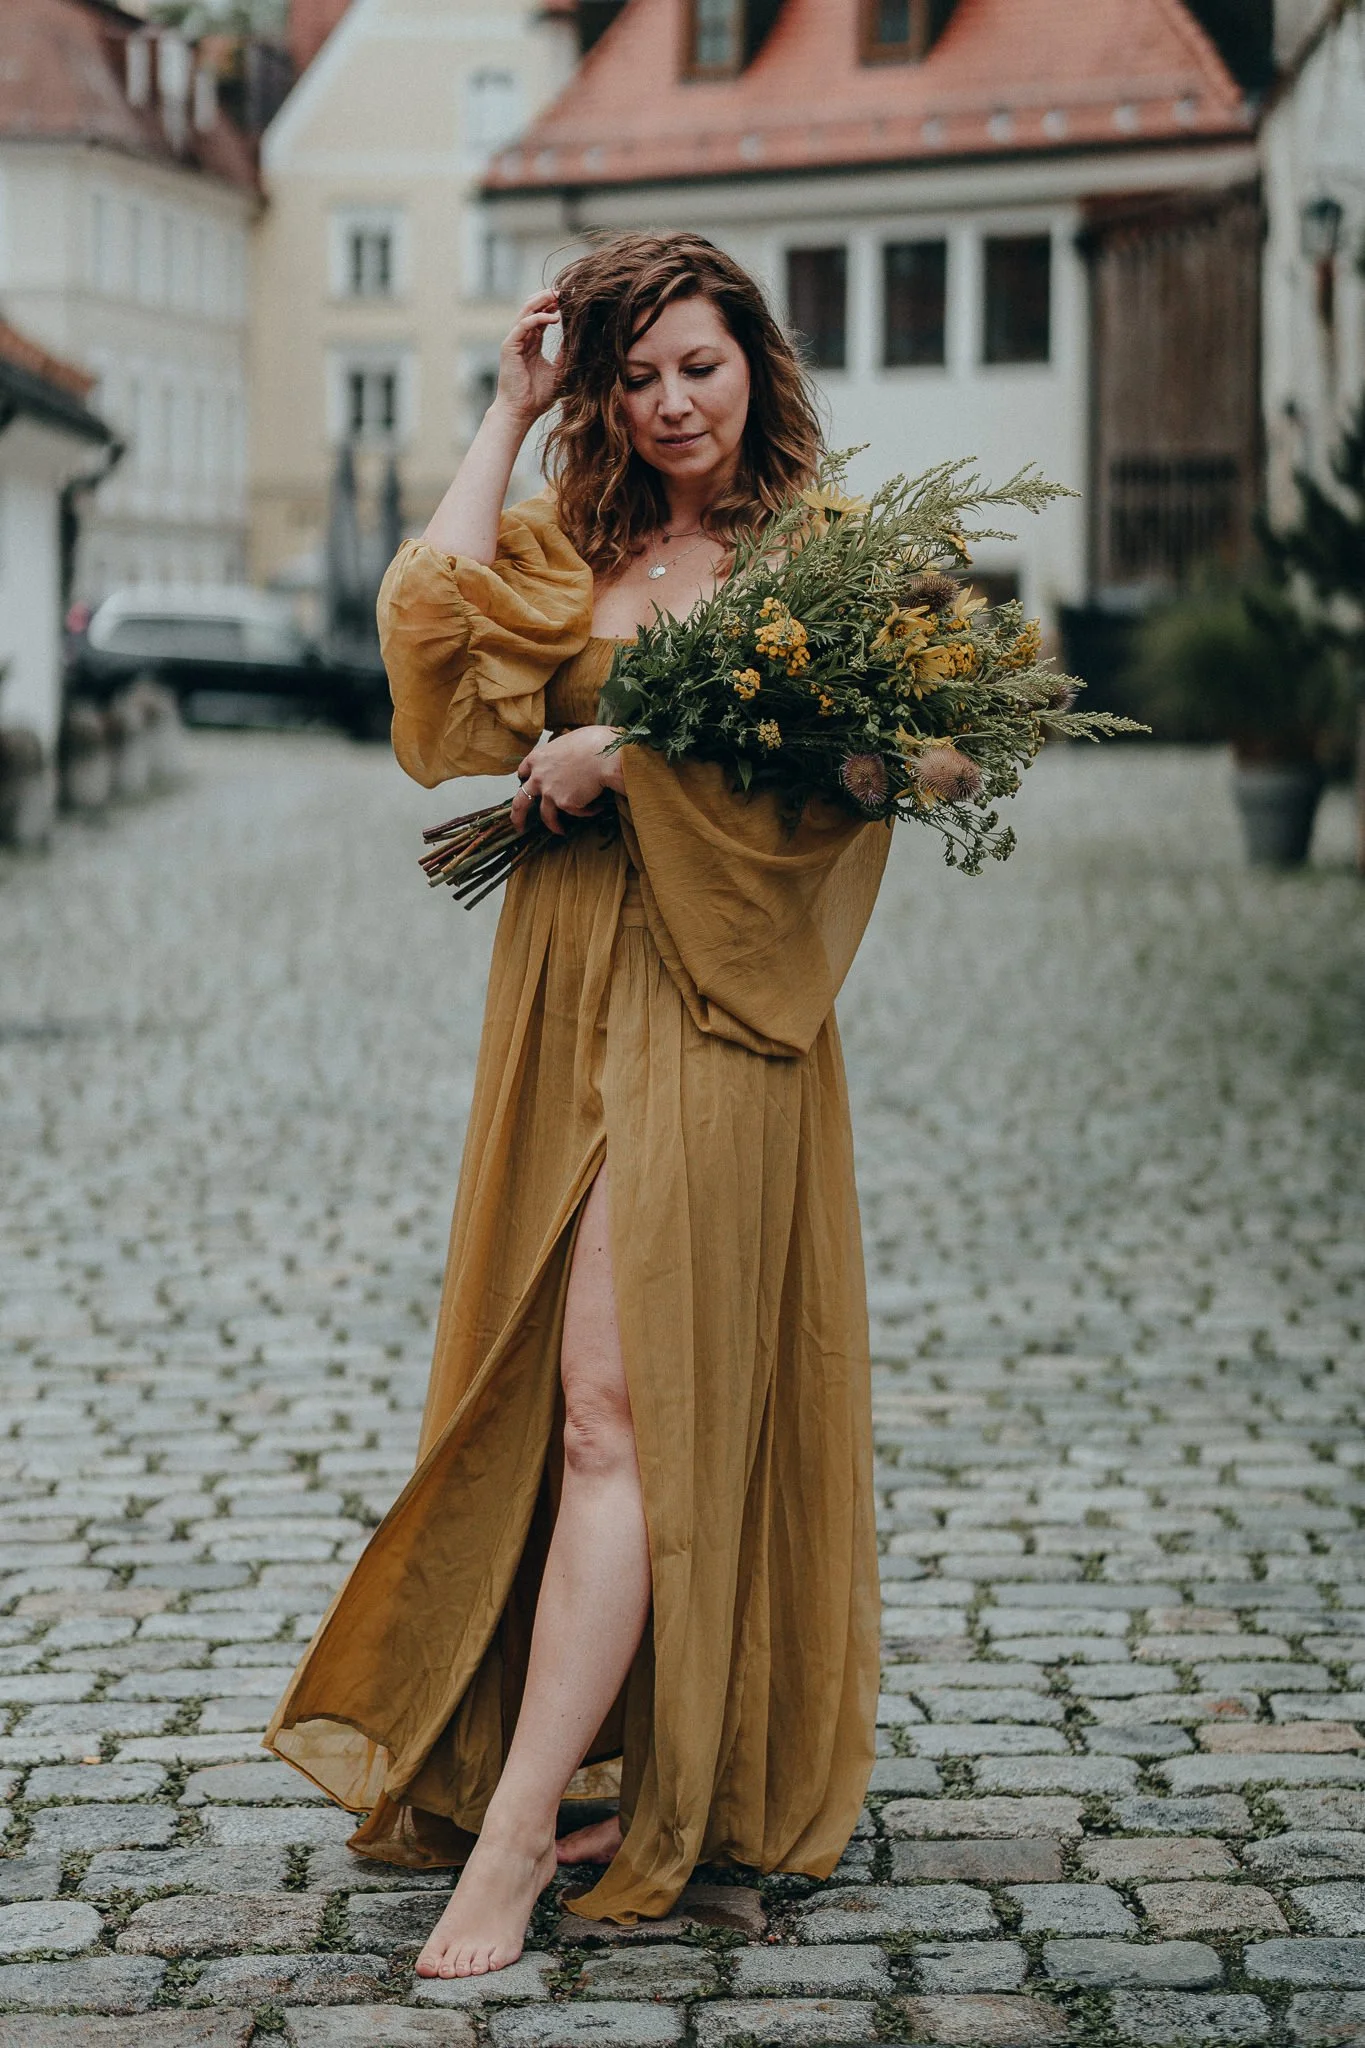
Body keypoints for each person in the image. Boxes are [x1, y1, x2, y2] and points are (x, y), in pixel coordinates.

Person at [265, 233, 891, 1979]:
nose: (674, 400)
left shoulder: (820, 562)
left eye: (701, 362)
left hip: (716, 999)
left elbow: (884, 771)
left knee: (620, 1406)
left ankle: (526, 1830)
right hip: (559, 991)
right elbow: (431, 631)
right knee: (560, 1393)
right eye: (639, 374)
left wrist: (628, 758)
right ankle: (638, 1759)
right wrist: (508, 400)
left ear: (754, 362)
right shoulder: (587, 547)